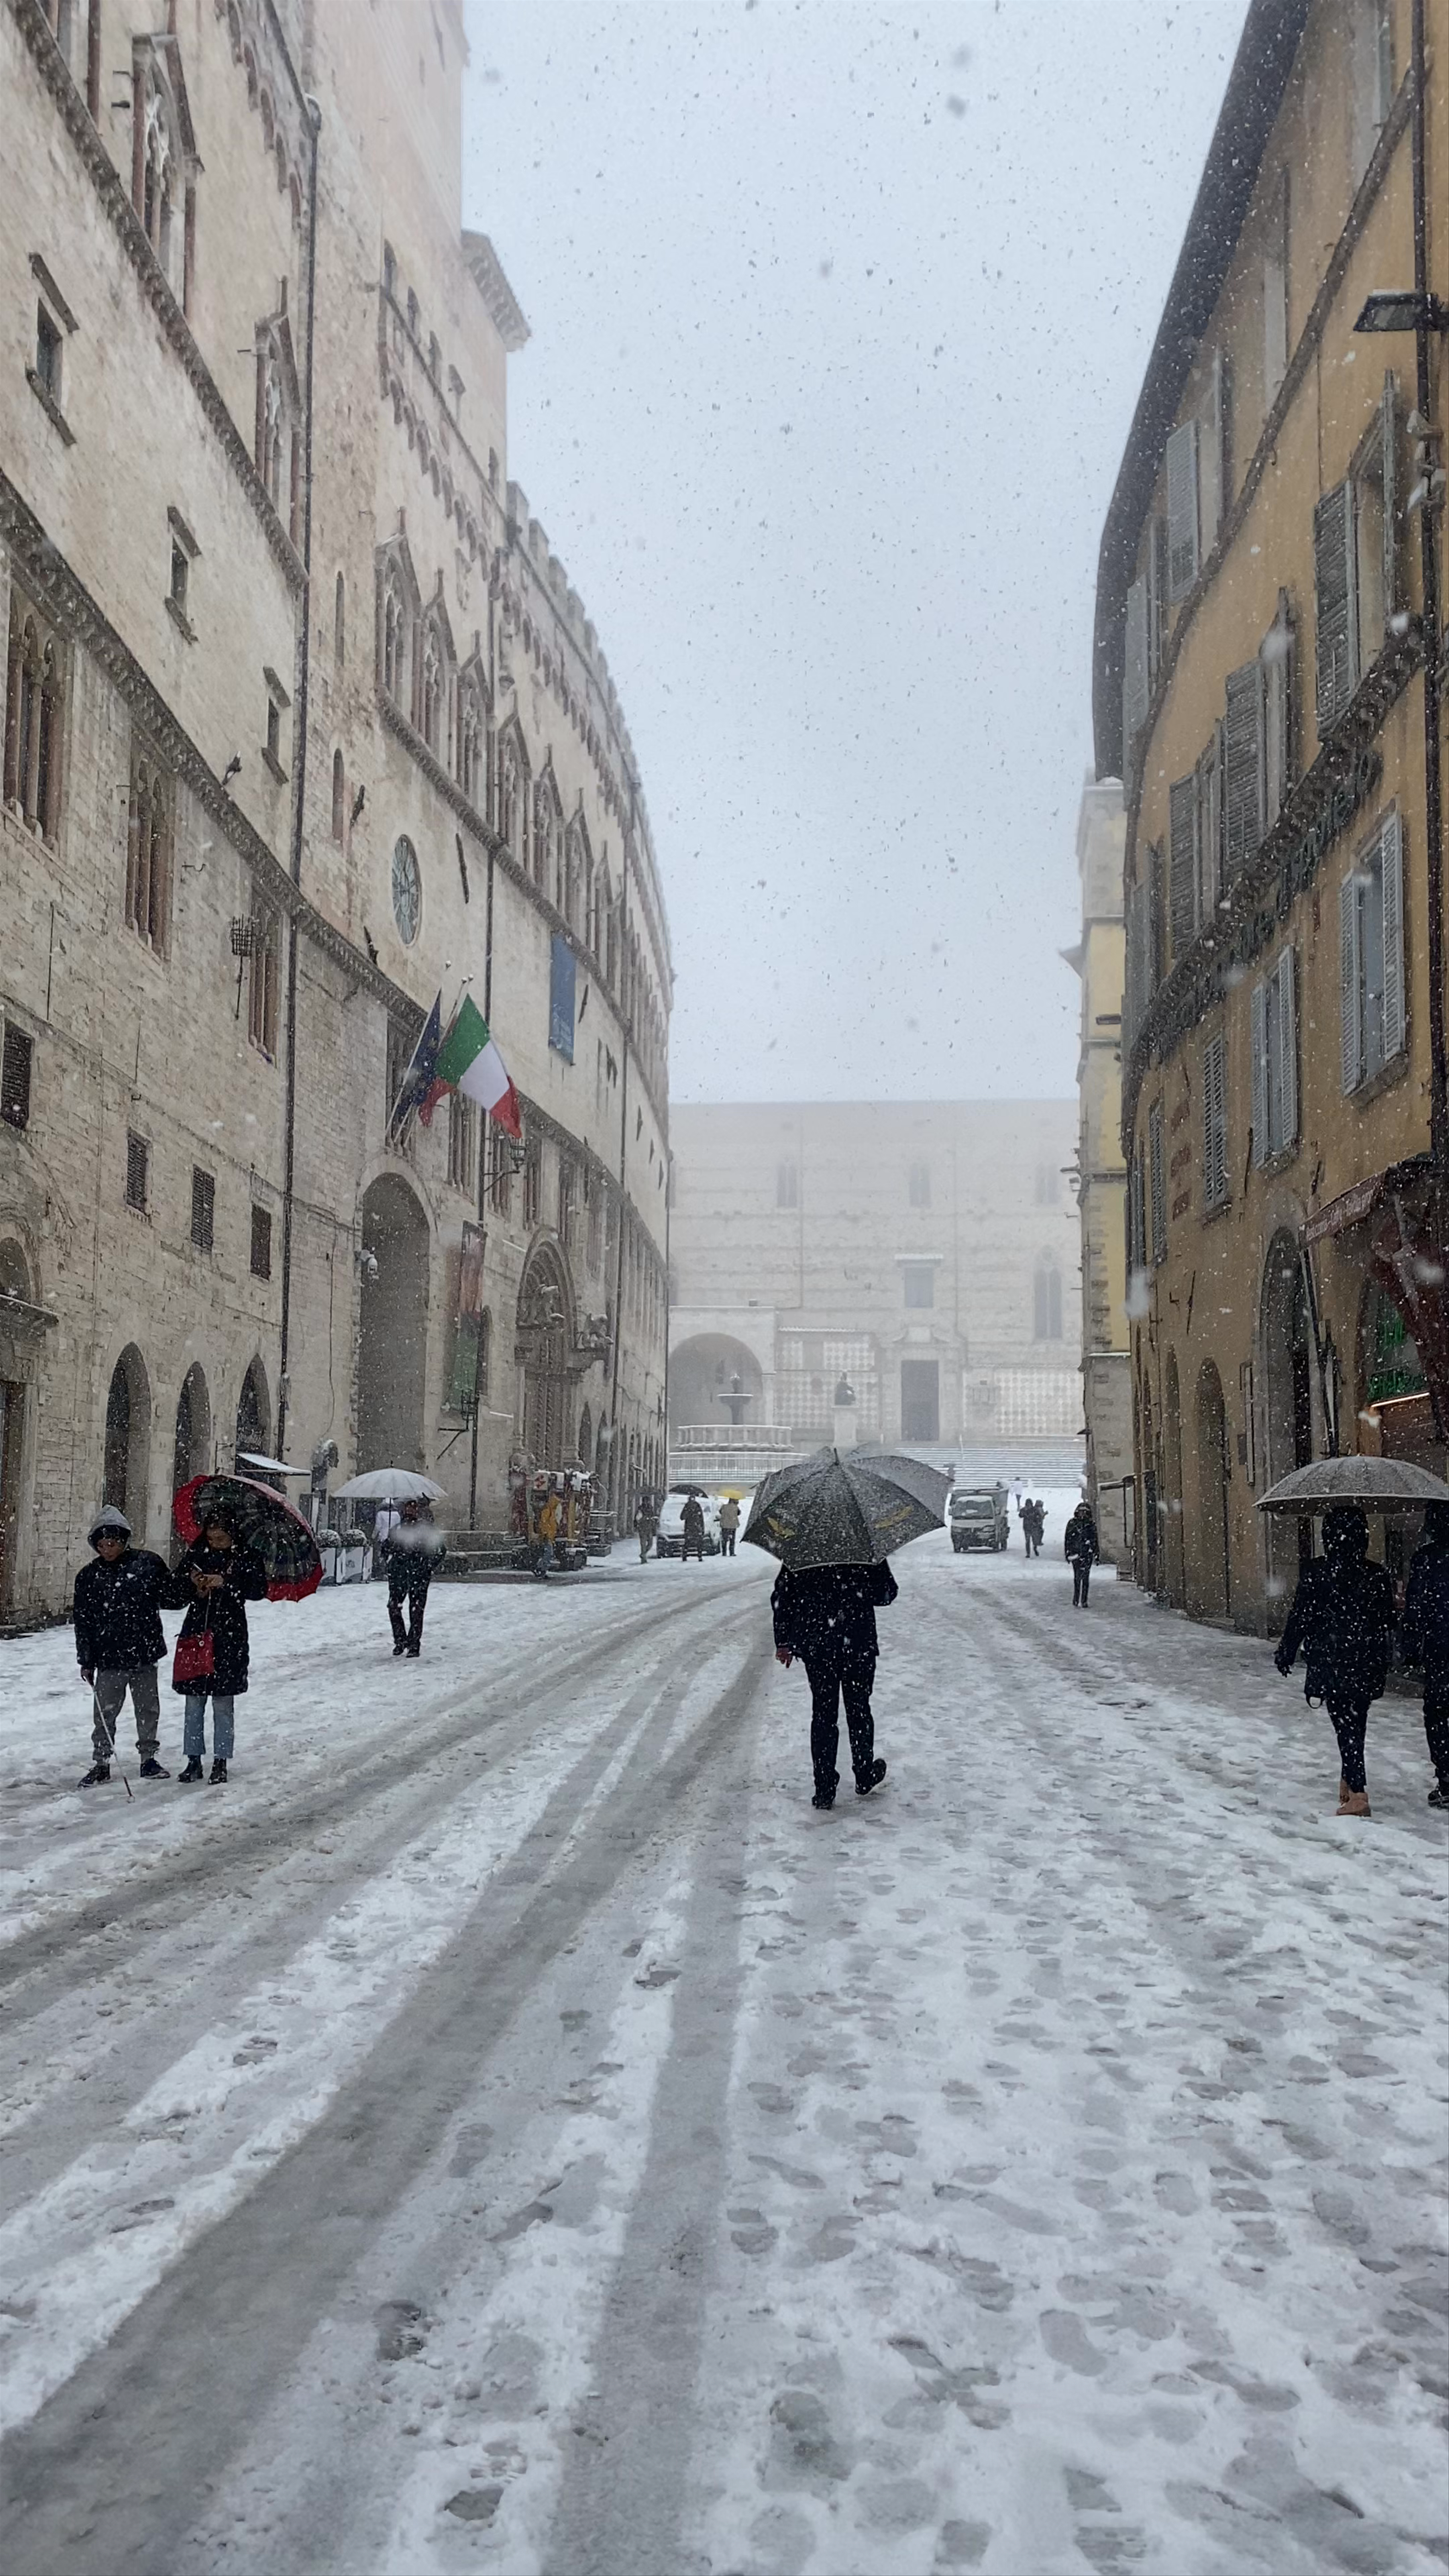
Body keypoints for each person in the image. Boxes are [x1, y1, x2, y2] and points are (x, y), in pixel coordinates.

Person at [1274, 1504, 1395, 1818]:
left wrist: (1287, 1649)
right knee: (1356, 1722)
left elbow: (1300, 1615)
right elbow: (1388, 1620)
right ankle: (1350, 1777)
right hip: (1366, 1659)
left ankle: (1358, 1793)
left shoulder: (1316, 1571)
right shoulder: (1376, 1573)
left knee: (1345, 1725)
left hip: (1332, 1658)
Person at [773, 1558, 898, 1809]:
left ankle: (824, 1787)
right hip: (858, 1642)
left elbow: (782, 1596)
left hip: (818, 1645)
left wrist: (783, 1641)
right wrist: (860, 1589)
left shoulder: (803, 1550)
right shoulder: (864, 1552)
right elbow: (887, 1593)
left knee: (823, 1714)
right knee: (859, 1708)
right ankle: (864, 1773)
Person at [72, 1505, 174, 1787]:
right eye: (102, 1544)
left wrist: (191, 1582)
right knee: (105, 1713)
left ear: (124, 1540)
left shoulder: (147, 1564)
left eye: (113, 1543)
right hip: (109, 1657)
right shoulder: (89, 1577)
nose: (107, 1549)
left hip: (144, 1652)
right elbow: (84, 1621)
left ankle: (148, 1758)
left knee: (148, 1708)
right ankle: (102, 1761)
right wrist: (87, 1659)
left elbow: (172, 1596)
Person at [171, 1509, 268, 1784]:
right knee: (194, 1702)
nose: (216, 1542)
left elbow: (258, 1589)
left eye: (222, 1538)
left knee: (223, 1702)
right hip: (197, 1634)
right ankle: (193, 1759)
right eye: (212, 1537)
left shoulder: (247, 1557)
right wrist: (195, 1586)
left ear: (233, 1535)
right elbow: (176, 1591)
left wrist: (227, 1583)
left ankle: (221, 1760)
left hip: (229, 1637)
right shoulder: (196, 1554)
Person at [1401, 1501, 1449, 1810]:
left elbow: (1415, 1609)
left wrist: (1410, 1649)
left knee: (1439, 1712)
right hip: (1439, 1645)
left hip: (1439, 1648)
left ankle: (1446, 1777)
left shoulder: (1425, 1560)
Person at [383, 1497, 448, 1646]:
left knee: (417, 1608)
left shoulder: (426, 1529)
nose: (410, 1511)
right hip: (399, 1574)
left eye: (413, 1507)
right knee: (394, 1606)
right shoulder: (397, 1529)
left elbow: (441, 1550)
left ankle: (414, 1643)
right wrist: (389, 1550)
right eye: (408, 1508)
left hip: (419, 1573)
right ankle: (400, 1640)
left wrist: (429, 1566)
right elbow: (386, 1550)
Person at [1064, 1501, 1098, 1606]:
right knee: (1077, 1578)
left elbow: (1095, 1540)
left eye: (1085, 1512)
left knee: (1086, 1578)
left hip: (1087, 1553)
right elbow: (1068, 1539)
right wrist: (1068, 1553)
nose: (1082, 1514)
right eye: (1081, 1512)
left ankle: (1084, 1600)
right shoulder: (1072, 1523)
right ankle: (1076, 1599)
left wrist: (1096, 1553)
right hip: (1076, 1553)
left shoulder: (1091, 1524)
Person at [532, 1486, 561, 1581]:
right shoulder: (549, 1510)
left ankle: (540, 1570)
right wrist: (546, 1534)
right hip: (547, 1536)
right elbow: (544, 1523)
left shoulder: (550, 1510)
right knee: (548, 1554)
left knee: (548, 1554)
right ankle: (540, 1570)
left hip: (549, 1536)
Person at [634, 1492, 659, 1565]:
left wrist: (653, 1521)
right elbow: (638, 1518)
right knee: (643, 1544)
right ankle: (644, 1559)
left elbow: (653, 1517)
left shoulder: (651, 1508)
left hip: (649, 1528)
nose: (648, 1502)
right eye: (647, 1501)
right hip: (643, 1528)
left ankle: (643, 1554)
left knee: (650, 1544)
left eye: (648, 1501)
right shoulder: (641, 1509)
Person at [681, 1492, 707, 1561]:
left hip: (689, 1527)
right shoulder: (698, 1506)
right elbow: (701, 1518)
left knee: (688, 1542)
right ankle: (700, 1556)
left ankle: (685, 1556)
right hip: (696, 1527)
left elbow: (682, 1517)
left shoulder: (687, 1506)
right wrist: (702, 1528)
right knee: (699, 1543)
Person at [718, 1494, 741, 1558]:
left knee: (724, 1540)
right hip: (733, 1526)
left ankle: (724, 1553)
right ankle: (732, 1552)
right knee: (732, 1540)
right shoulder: (736, 1508)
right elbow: (739, 1513)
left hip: (725, 1525)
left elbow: (720, 1512)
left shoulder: (724, 1507)